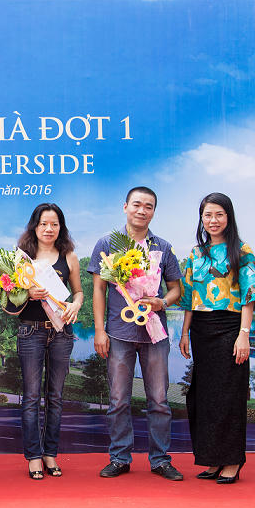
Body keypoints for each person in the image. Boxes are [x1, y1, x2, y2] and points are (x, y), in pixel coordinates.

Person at [87, 186, 184, 481]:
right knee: (118, 400)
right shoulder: (107, 243)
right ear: (125, 206)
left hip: (155, 334)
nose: (142, 210)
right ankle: (119, 457)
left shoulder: (163, 247)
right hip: (119, 333)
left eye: (149, 206)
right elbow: (99, 290)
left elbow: (176, 289)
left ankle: (160, 460)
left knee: (159, 400)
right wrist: (100, 331)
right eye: (137, 204)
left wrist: (162, 302)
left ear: (154, 212)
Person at [178, 192, 255, 484]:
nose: (213, 220)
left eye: (219, 214)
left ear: (229, 217)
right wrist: (184, 333)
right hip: (201, 330)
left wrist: (243, 335)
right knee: (204, 396)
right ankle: (213, 458)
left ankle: (232, 460)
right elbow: (188, 297)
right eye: (208, 215)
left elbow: (250, 295)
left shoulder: (242, 250)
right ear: (201, 219)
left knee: (229, 396)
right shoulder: (196, 253)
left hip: (230, 327)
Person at [5, 203, 83, 479]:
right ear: (34, 227)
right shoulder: (21, 258)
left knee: (56, 397)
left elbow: (78, 292)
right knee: (31, 397)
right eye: (43, 224)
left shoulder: (69, 256)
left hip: (62, 332)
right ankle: (34, 457)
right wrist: (28, 294)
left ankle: (50, 454)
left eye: (54, 224)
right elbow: (8, 299)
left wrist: (76, 304)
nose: (49, 229)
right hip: (31, 332)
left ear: (61, 227)